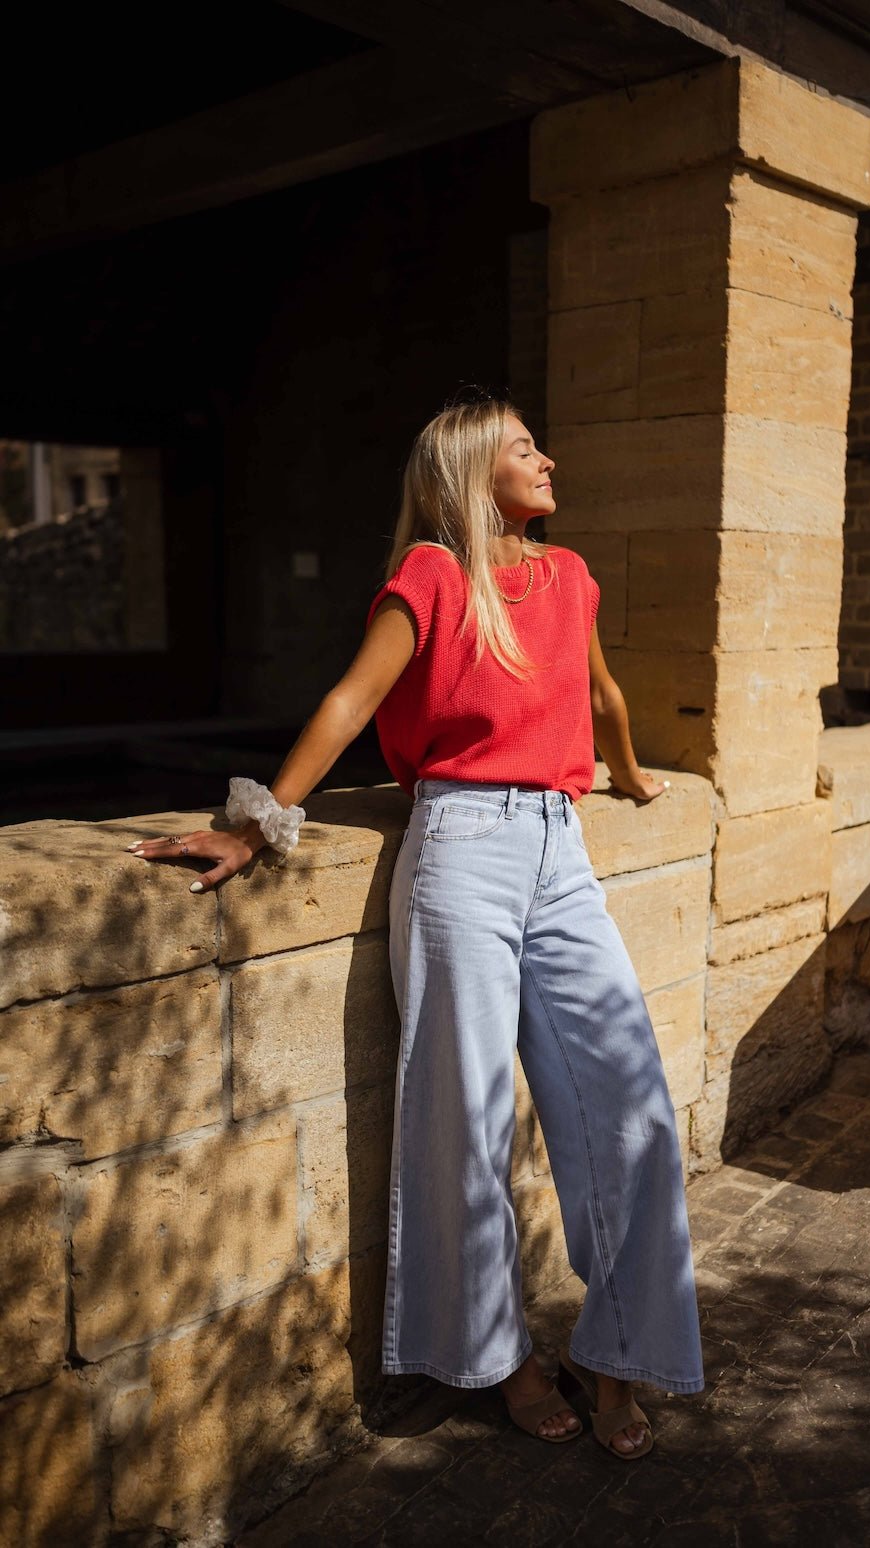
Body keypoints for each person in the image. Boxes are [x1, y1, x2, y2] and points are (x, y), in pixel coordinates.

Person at [128, 397, 704, 1458]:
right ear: (474, 469)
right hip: (461, 851)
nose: (548, 457)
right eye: (525, 447)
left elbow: (604, 693)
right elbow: (351, 702)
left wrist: (628, 776)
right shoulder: (434, 577)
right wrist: (257, 828)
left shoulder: (569, 575)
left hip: (561, 852)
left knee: (634, 1111)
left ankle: (617, 1356)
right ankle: (504, 1359)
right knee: (465, 1121)